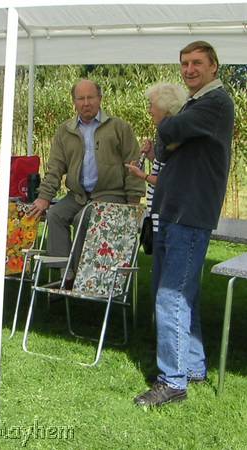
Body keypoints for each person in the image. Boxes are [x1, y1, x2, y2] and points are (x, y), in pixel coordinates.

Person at [134, 41, 235, 407]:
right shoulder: (195, 103)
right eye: (184, 63)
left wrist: (166, 122)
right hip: (175, 210)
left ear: (214, 67)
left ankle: (172, 381)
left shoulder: (215, 102)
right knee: (183, 293)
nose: (189, 69)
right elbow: (165, 146)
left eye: (197, 63)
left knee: (171, 295)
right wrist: (168, 129)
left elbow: (172, 129)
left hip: (189, 213)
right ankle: (192, 366)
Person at [29, 79, 145, 285]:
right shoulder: (65, 131)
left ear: (100, 99)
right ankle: (65, 273)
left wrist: (133, 203)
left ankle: (82, 275)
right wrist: (44, 197)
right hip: (78, 195)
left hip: (110, 193)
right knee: (55, 215)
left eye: (90, 97)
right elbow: (55, 167)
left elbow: (133, 165)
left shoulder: (119, 127)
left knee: (83, 218)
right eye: (80, 98)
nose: (86, 103)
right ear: (74, 102)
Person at [126, 83, 187, 234]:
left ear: (164, 107)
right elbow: (165, 167)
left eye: (151, 105)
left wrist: (141, 175)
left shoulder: (175, 135)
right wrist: (152, 155)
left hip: (170, 216)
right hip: (161, 212)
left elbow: (169, 181)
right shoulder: (166, 133)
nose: (149, 110)